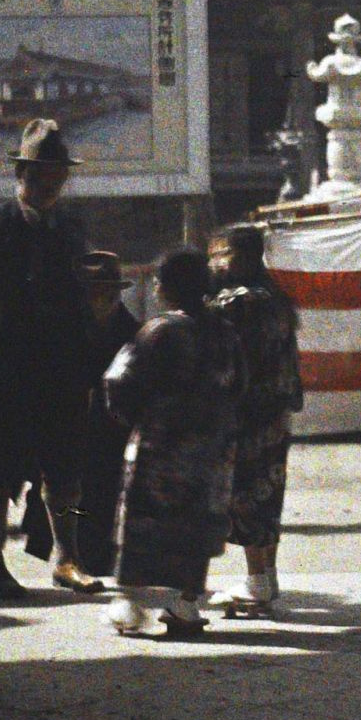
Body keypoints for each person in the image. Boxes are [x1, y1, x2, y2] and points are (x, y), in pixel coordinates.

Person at [0, 119, 103, 599]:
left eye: (55, 176)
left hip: (58, 372)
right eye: (37, 176)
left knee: (64, 473)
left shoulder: (71, 230)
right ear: (21, 176)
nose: (46, 186)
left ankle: (66, 558)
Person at [101, 249, 244, 638]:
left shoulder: (159, 330)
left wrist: (131, 420)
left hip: (160, 443)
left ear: (166, 288)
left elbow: (119, 380)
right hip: (211, 446)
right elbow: (240, 385)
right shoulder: (225, 333)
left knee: (141, 521)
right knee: (196, 525)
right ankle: (186, 605)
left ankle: (129, 602)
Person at [21, 250, 140, 576]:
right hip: (67, 435)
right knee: (67, 502)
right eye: (93, 291)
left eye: (108, 291)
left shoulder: (136, 335)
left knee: (105, 514)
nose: (101, 299)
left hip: (113, 443)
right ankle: (69, 560)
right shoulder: (58, 332)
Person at [209, 225, 304, 613]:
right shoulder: (276, 298)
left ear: (244, 256)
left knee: (245, 494)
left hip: (245, 414)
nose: (215, 263)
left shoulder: (238, 302)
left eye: (221, 255)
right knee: (268, 491)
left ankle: (257, 580)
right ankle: (265, 576)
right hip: (274, 414)